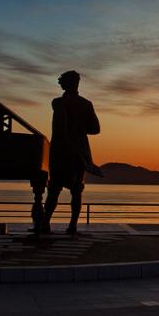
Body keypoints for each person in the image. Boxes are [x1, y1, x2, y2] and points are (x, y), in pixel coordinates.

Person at [42, 70, 100, 237]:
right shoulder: (86, 104)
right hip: (81, 152)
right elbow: (95, 129)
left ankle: (45, 223)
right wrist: (80, 128)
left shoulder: (58, 102)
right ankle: (72, 225)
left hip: (61, 150)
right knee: (76, 190)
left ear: (69, 83)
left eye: (62, 81)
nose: (59, 83)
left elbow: (60, 128)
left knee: (54, 188)